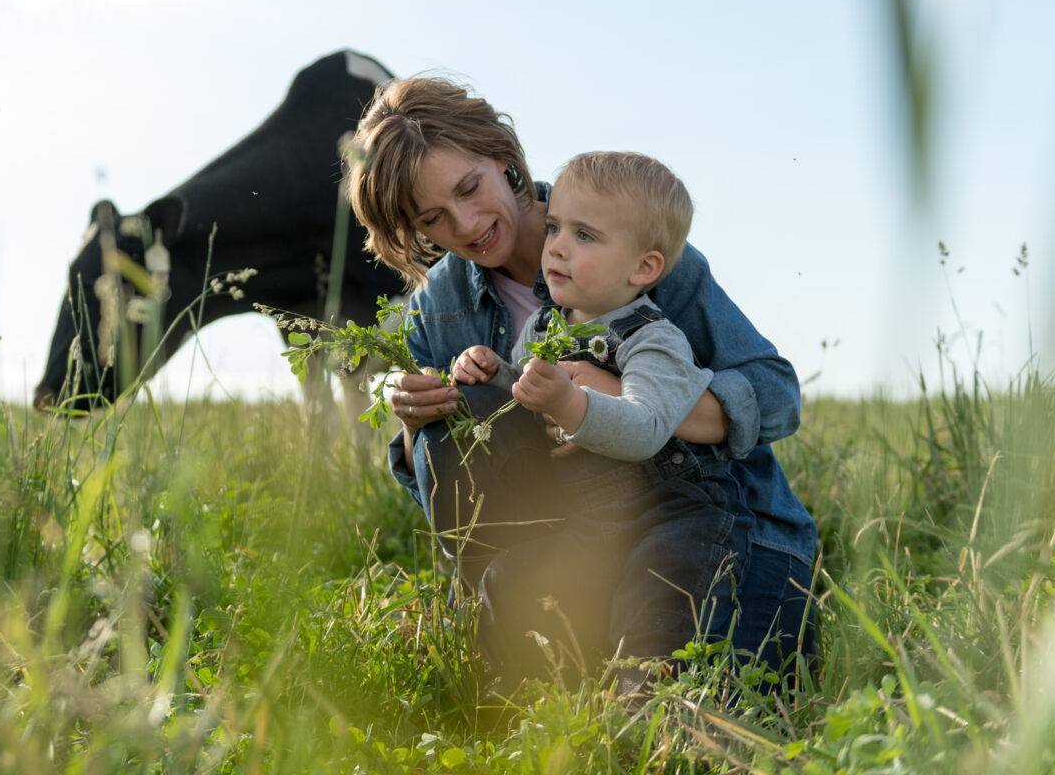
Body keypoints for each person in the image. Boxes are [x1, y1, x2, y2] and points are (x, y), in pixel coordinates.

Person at [345, 76, 816, 686]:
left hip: (710, 528)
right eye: (433, 218)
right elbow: (452, 501)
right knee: (445, 433)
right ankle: (529, 625)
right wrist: (414, 423)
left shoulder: (623, 238)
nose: (465, 225)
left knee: (714, 697)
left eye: (470, 188)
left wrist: (613, 397)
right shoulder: (438, 308)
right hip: (575, 539)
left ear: (501, 156)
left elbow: (777, 395)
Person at [451, 150, 744, 674]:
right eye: (556, 227)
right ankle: (518, 700)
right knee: (512, 580)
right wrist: (491, 369)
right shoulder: (546, 327)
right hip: (593, 518)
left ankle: (649, 716)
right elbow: (526, 385)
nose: (558, 247)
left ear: (644, 266)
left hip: (671, 515)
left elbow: (646, 428)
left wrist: (569, 402)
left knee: (653, 617)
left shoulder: (654, 340)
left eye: (584, 236)